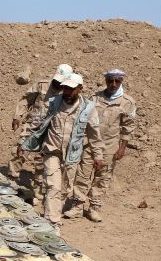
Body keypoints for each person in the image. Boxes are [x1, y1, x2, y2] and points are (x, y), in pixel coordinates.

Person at [20, 73, 104, 234]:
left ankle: (52, 214)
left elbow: (94, 134)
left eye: (71, 89)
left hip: (71, 156)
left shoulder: (88, 108)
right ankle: (53, 223)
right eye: (65, 88)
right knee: (53, 186)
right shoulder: (52, 103)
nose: (66, 92)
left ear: (80, 89)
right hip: (52, 151)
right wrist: (24, 142)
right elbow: (36, 123)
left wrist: (98, 155)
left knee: (64, 189)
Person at [64, 69, 136, 222]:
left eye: (117, 81)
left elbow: (128, 127)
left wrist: (122, 148)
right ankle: (77, 206)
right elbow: (83, 119)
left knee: (102, 178)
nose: (113, 84)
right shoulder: (95, 97)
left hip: (110, 146)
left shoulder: (127, 102)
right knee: (82, 175)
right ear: (106, 81)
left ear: (121, 82)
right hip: (90, 144)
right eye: (110, 81)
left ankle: (94, 208)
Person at [9, 64, 73, 205]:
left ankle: (38, 188)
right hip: (32, 125)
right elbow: (26, 99)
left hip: (51, 130)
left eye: (61, 82)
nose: (57, 84)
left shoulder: (69, 93)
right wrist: (17, 116)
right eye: (56, 80)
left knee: (41, 158)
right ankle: (11, 182)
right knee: (19, 151)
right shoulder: (43, 85)